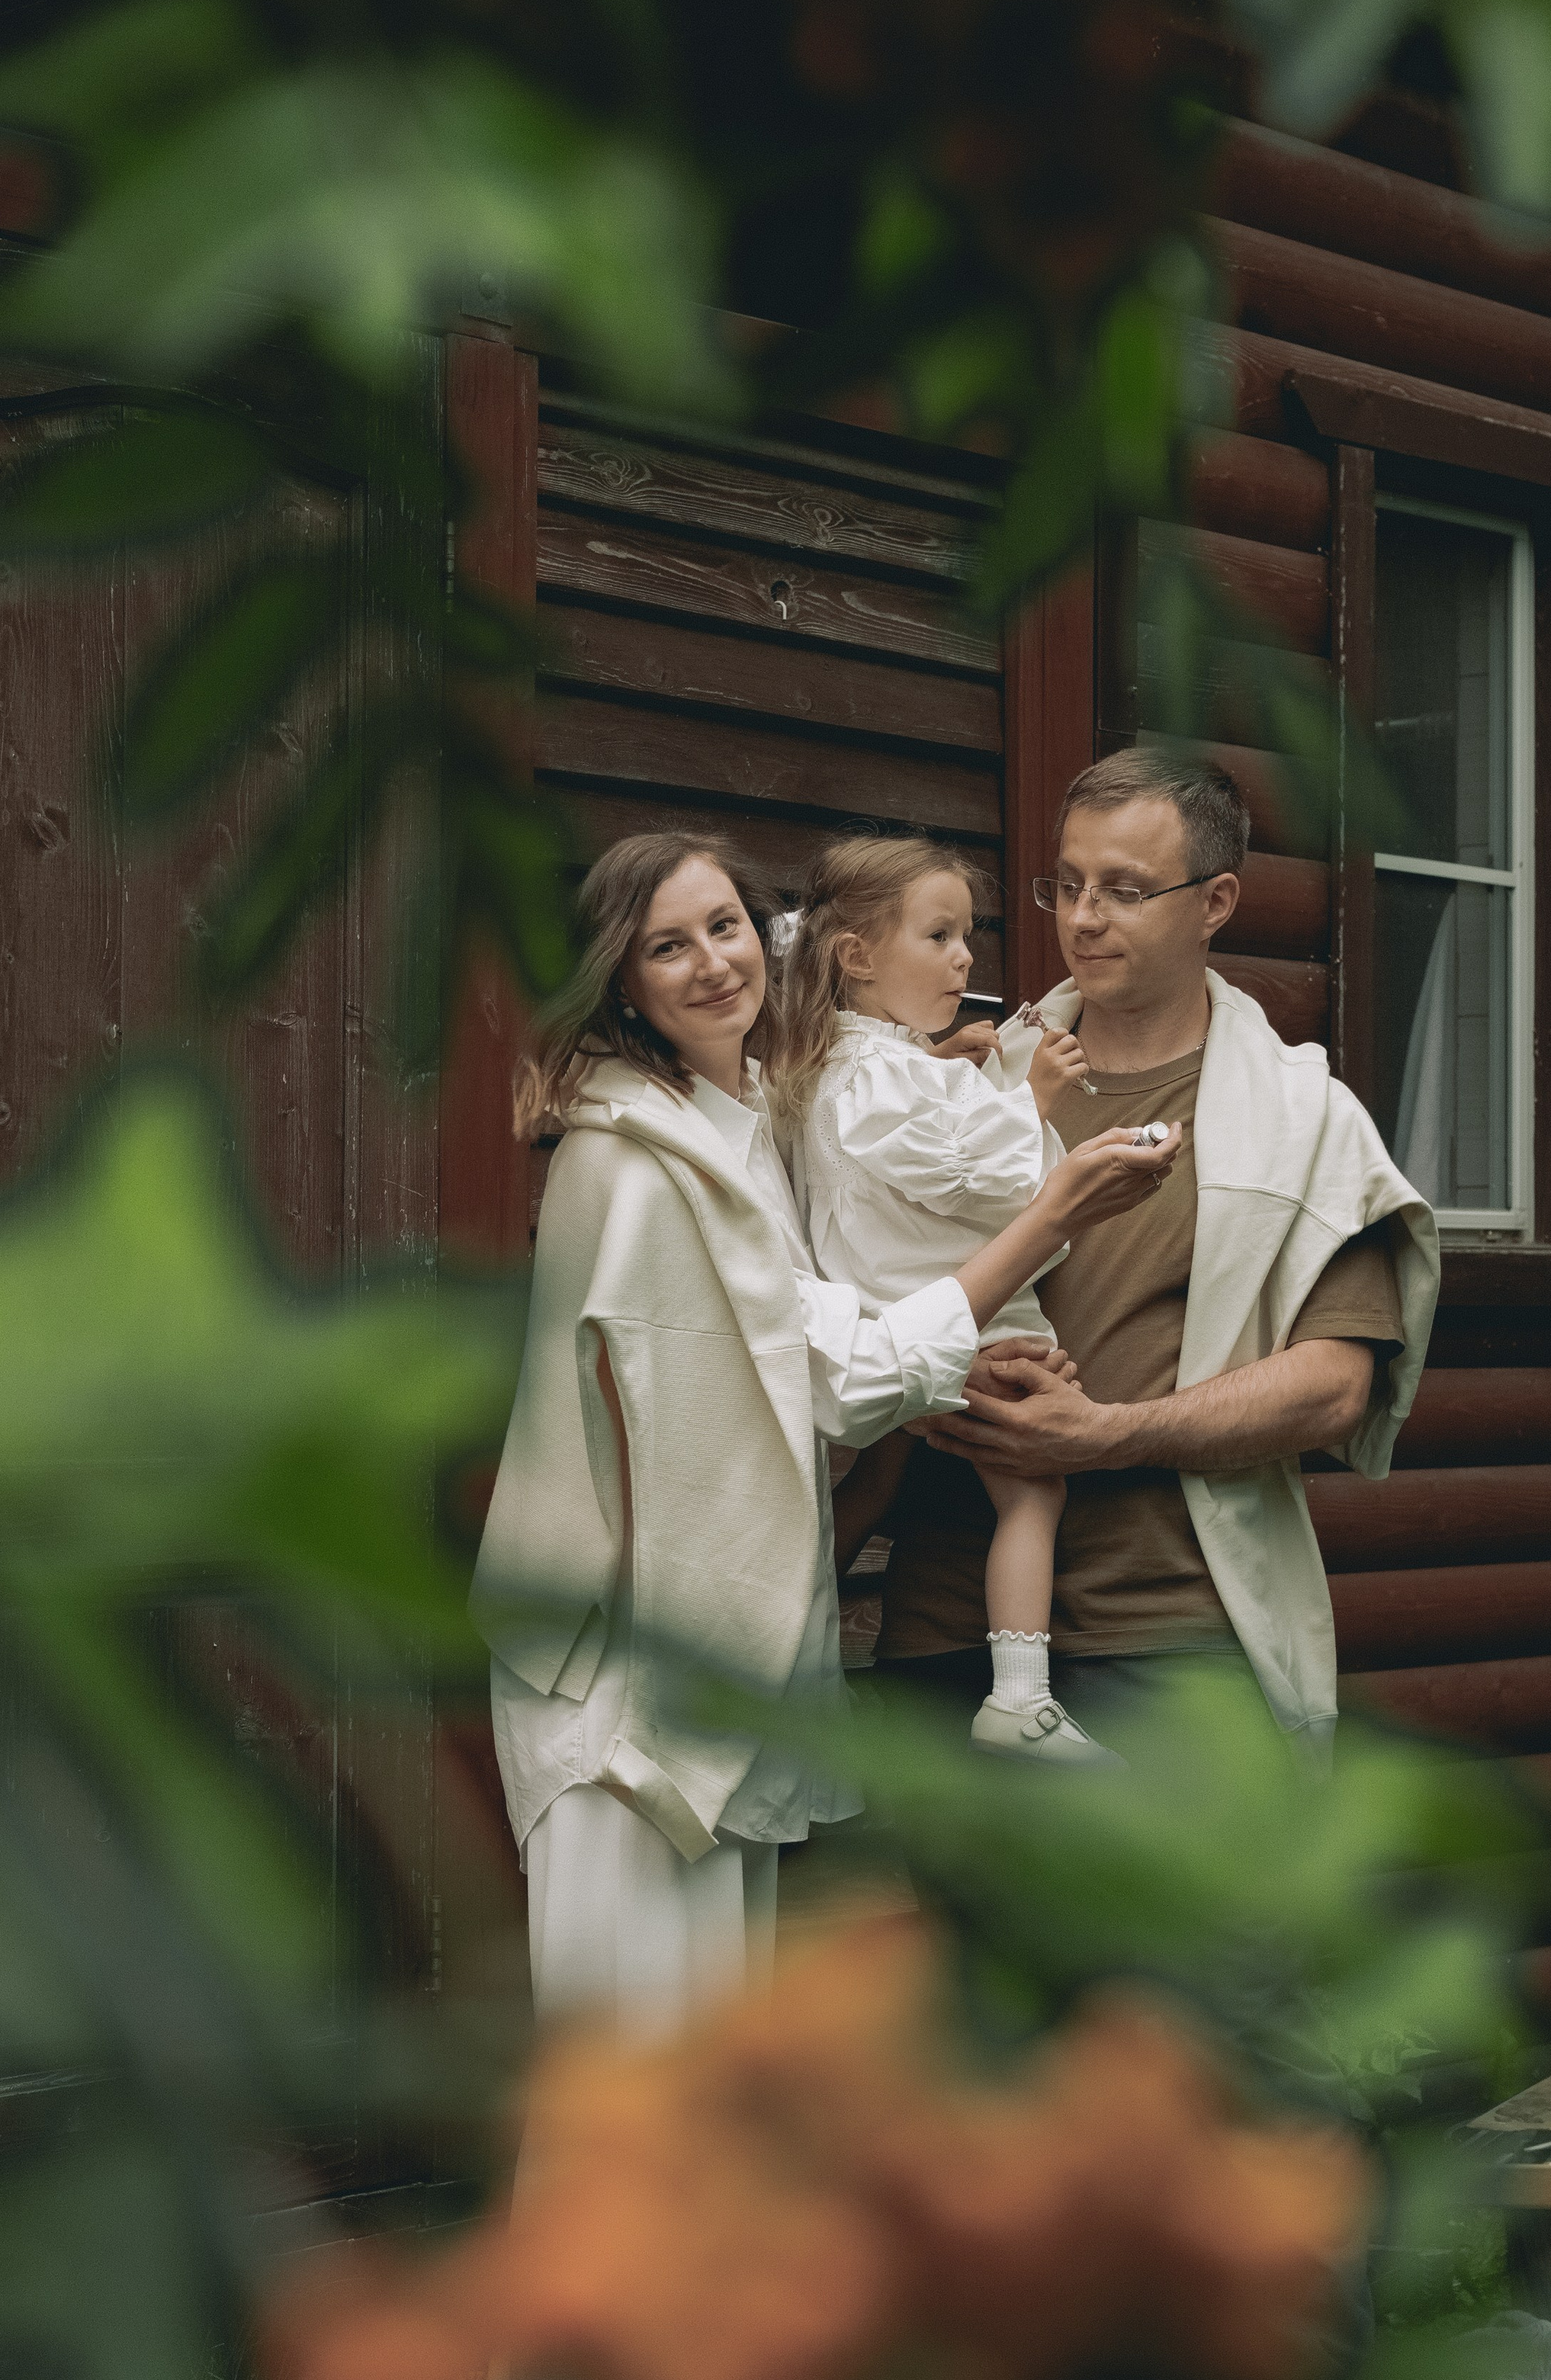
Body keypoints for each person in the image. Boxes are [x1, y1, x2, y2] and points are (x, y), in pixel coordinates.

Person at [470, 828, 1180, 2035]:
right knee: (640, 2127)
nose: (710, 964)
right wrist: (1049, 1209)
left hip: (711, 1685)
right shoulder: (642, 1175)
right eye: (666, 946)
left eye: (725, 927)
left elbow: (827, 1311)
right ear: (623, 980)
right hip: (628, 1712)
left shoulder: (733, 1127)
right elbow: (842, 1380)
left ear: (769, 937)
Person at [855, 748, 1440, 1754]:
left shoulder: (1304, 1118)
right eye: (1067, 885)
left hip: (1172, 1636)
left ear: (1215, 902)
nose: (1083, 918)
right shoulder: (960, 1079)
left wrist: (1108, 1434)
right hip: (946, 1623)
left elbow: (1337, 1388)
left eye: (1123, 891)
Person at [776, 834, 1119, 1766]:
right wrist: (1035, 1099)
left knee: (874, 1483)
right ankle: (1019, 1696)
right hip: (945, 1320)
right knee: (1035, 1491)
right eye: (938, 936)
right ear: (856, 957)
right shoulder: (873, 1073)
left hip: (888, 1317)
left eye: (965, 936)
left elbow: (919, 1147)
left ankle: (783, 1634)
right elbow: (973, 1175)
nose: (964, 958)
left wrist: (956, 1065)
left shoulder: (855, 1064)